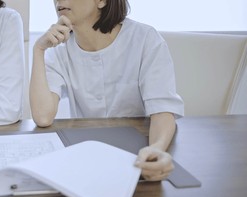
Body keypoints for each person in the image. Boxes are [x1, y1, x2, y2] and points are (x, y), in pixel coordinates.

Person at [30, 0, 184, 181]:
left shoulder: (145, 39)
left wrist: (157, 148)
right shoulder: (58, 50)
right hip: (88, 158)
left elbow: (163, 110)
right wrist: (38, 49)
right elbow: (43, 117)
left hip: (138, 154)